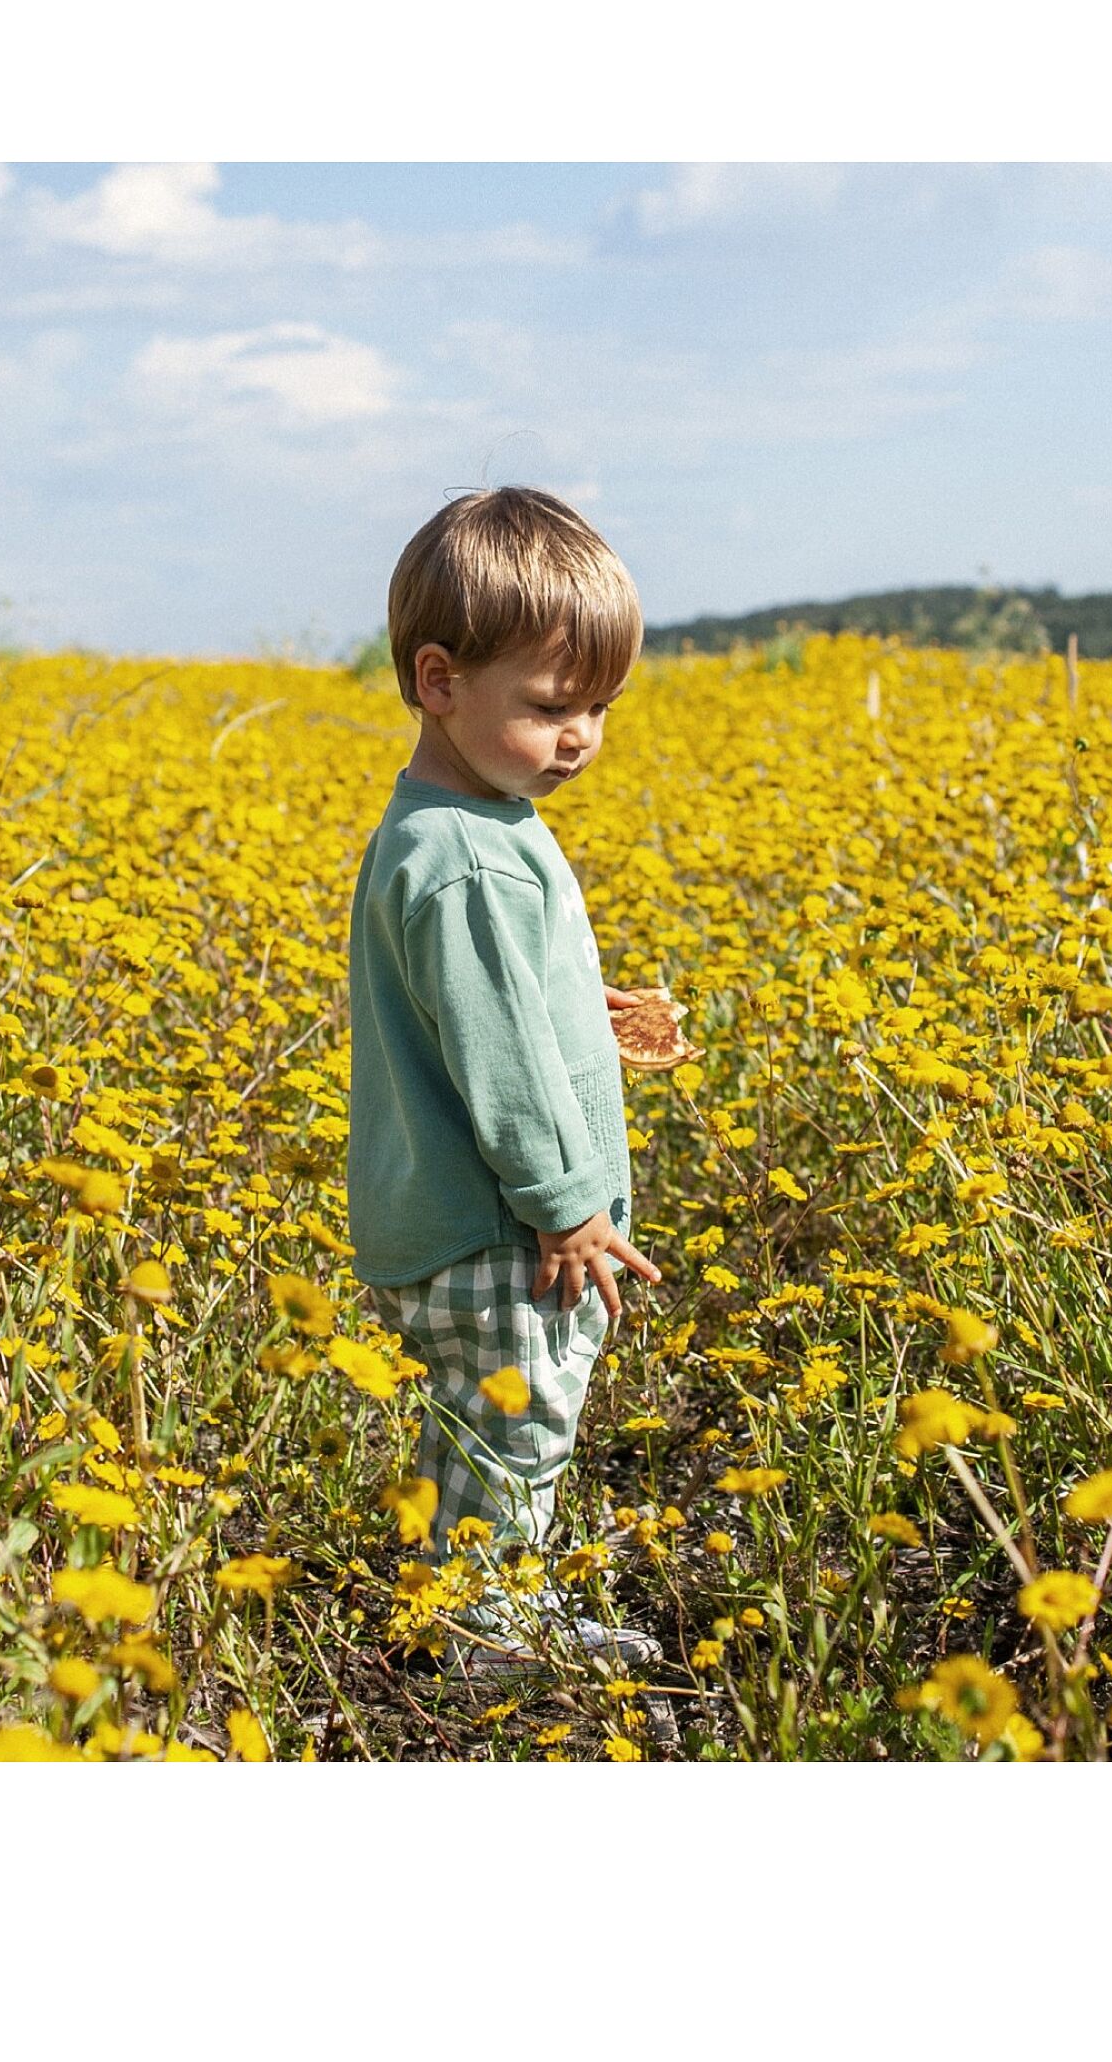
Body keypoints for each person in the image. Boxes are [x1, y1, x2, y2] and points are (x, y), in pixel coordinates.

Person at [346, 487, 664, 1679]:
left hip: (465, 1218)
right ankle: (489, 1639)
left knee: (477, 1428)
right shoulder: (468, 859)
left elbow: (492, 1002)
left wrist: (587, 1002)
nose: (579, 736)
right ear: (439, 681)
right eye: (550, 706)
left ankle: (449, 1609)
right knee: (517, 1433)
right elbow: (501, 1062)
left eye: (598, 708)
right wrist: (568, 1204)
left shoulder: (462, 822)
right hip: (502, 1226)